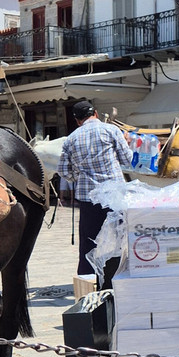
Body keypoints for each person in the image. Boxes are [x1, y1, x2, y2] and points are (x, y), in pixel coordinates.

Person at [57, 100, 132, 276]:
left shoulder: (71, 139)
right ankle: (118, 277)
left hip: (88, 198)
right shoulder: (112, 130)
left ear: (77, 120)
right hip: (115, 196)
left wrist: (79, 176)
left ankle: (88, 280)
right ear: (96, 114)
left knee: (89, 242)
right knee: (119, 239)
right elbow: (127, 160)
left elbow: (63, 171)